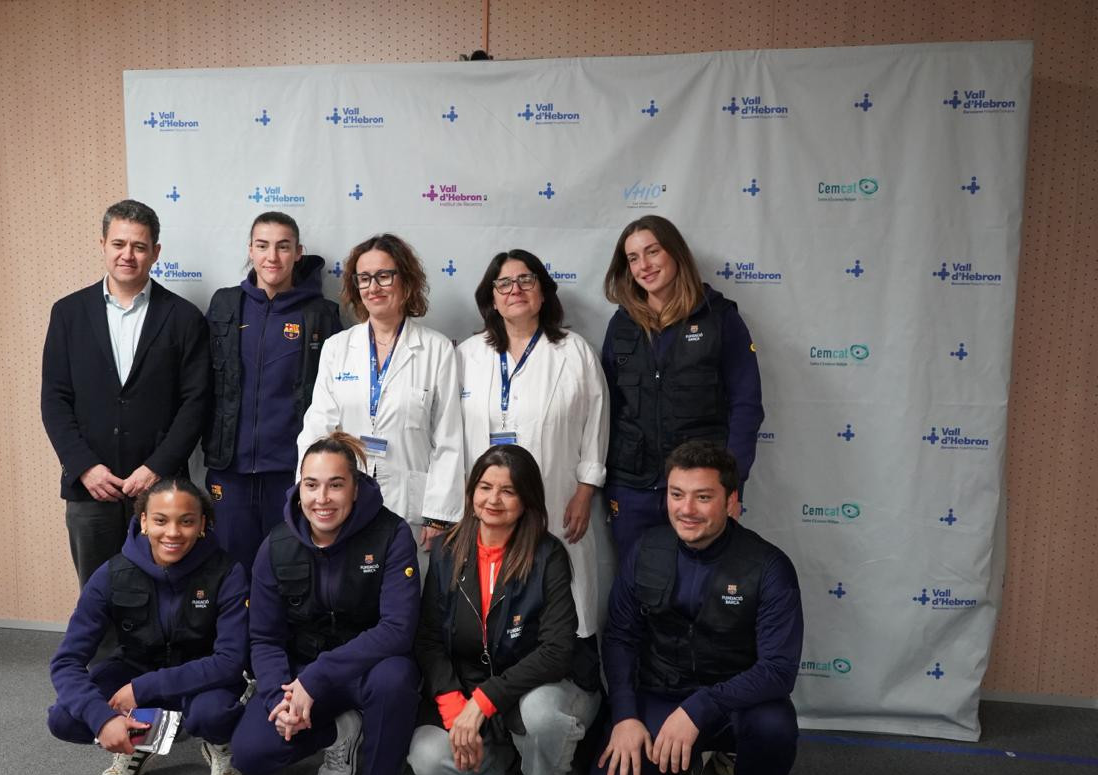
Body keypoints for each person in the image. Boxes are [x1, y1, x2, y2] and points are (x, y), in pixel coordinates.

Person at [589, 441, 802, 775]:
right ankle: (684, 761)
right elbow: (620, 637)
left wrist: (699, 708)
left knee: (775, 728)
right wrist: (625, 715)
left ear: (731, 501)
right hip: (661, 693)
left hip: (733, 702)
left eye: (703, 497)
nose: (686, 509)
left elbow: (778, 670)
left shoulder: (769, 566)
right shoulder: (645, 549)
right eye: (677, 494)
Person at [232, 432, 421, 775]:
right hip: (301, 674)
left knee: (396, 679)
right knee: (250, 754)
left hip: (367, 668)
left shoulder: (391, 534)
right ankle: (341, 730)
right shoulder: (275, 546)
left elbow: (397, 629)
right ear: (299, 489)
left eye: (336, 485)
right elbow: (264, 637)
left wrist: (315, 679)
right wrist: (278, 699)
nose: (323, 498)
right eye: (312, 485)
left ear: (355, 488)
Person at [409, 445, 601, 775]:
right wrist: (455, 708)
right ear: (471, 492)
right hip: (477, 689)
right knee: (425, 756)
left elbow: (556, 652)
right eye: (485, 487)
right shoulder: (446, 551)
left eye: (508, 491)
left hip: (548, 687)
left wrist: (483, 701)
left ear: (527, 499)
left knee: (541, 715)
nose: (493, 499)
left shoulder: (549, 555)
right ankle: (491, 768)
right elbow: (428, 639)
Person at [41, 199, 211, 587]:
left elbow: (196, 402)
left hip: (161, 489)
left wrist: (156, 468)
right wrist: (85, 466)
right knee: (98, 594)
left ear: (156, 252)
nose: (128, 255)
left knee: (164, 592)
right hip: (90, 488)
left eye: (139, 246)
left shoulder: (184, 318)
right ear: (102, 244)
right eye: (119, 244)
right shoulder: (68, 313)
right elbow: (54, 399)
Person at [47, 477, 249, 775]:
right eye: (160, 520)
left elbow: (229, 662)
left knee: (214, 714)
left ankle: (217, 744)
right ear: (143, 521)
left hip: (199, 681)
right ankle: (136, 741)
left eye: (186, 521)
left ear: (202, 525)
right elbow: (66, 661)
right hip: (133, 671)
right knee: (64, 719)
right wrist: (102, 719)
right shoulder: (111, 574)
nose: (173, 532)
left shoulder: (227, 572)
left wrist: (143, 689)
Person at [456, 248, 611, 640]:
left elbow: (597, 422)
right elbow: (449, 434)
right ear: (491, 298)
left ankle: (567, 660)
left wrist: (585, 491)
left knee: (561, 604)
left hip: (557, 498)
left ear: (543, 292)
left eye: (526, 280)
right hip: (486, 504)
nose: (516, 289)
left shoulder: (574, 351)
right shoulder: (467, 356)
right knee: (492, 608)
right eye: (504, 283)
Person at [601, 215, 763, 556]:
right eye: (633, 258)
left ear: (675, 253)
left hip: (702, 487)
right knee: (638, 581)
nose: (644, 266)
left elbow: (746, 406)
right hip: (633, 487)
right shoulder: (621, 325)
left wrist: (732, 484)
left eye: (653, 252)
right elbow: (607, 409)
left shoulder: (720, 318)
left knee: (704, 582)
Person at [296, 233, 463, 552]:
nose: (373, 287)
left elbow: (449, 439)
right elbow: (317, 428)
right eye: (364, 278)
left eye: (384, 276)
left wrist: (439, 514)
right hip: (344, 501)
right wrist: (307, 493)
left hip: (410, 505)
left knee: (405, 579)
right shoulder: (337, 347)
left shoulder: (436, 349)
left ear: (406, 281)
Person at [203, 211, 341, 573]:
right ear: (250, 250)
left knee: (291, 569)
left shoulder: (321, 314)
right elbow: (201, 385)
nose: (272, 257)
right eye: (262, 246)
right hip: (230, 470)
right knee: (231, 571)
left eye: (283, 247)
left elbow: (334, 396)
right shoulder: (225, 305)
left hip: (291, 470)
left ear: (298, 252)